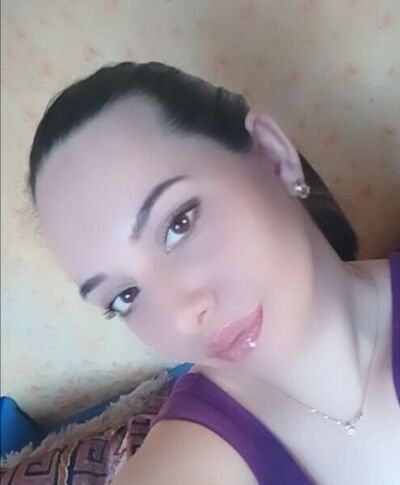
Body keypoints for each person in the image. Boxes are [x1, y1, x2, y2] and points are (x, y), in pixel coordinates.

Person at [28, 61, 399, 484]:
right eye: (125, 296)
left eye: (179, 224)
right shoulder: (195, 452)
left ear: (273, 157)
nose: (183, 315)